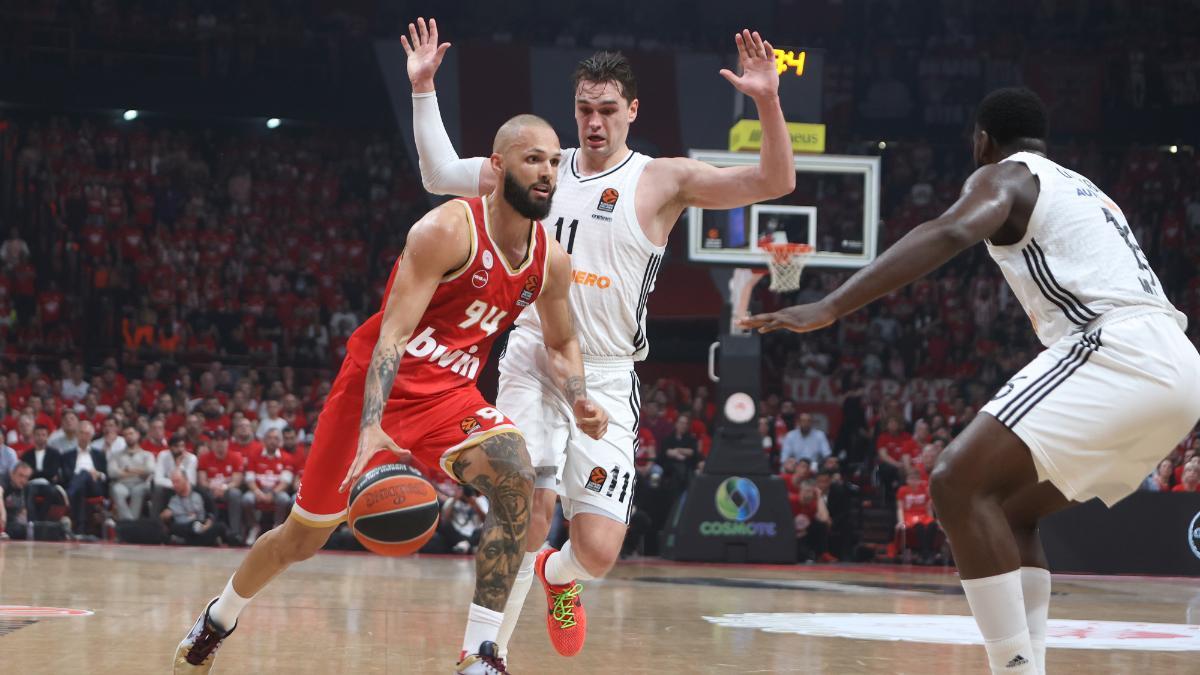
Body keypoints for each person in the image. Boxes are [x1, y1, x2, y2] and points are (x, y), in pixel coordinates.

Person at [742, 87, 1200, 675]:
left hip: (1118, 348)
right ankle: (1026, 664)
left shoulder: (1005, 175)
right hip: (1179, 366)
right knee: (1008, 511)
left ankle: (1010, 669)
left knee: (954, 480)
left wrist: (830, 306)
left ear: (982, 139)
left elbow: (949, 230)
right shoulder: (1086, 188)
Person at [405, 18, 794, 661]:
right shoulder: (537, 169)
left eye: (607, 110)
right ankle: (482, 656)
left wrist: (768, 100)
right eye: (584, 108)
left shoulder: (663, 179)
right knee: (525, 508)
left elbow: (773, 183)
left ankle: (559, 579)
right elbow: (439, 171)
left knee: (597, 551)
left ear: (631, 111)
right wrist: (424, 88)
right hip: (533, 356)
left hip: (610, 375)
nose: (593, 122)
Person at [175, 114, 608, 675]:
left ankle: (480, 655)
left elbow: (564, 339)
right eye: (534, 160)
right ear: (498, 166)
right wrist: (373, 423)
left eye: (554, 162)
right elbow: (393, 336)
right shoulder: (447, 230)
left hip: (448, 395)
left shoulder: (550, 261)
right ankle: (219, 617)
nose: (548, 172)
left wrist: (578, 396)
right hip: (370, 393)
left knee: (516, 477)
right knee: (300, 539)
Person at [240, 428, 293, 545]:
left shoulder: (286, 457)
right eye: (269, 438)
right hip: (258, 490)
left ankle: (277, 528)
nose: (272, 441)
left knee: (284, 498)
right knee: (246, 499)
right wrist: (258, 492)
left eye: (276, 438)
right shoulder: (254, 455)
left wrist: (272, 494)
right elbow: (249, 479)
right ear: (264, 440)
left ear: (280, 441)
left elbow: (285, 482)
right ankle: (254, 527)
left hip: (276, 491)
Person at [197, 429, 245, 540]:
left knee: (235, 494)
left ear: (228, 442)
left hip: (227, 490)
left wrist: (224, 487)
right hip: (210, 490)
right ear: (212, 443)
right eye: (216, 440)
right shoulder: (204, 458)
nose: (220, 443)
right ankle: (205, 532)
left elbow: (236, 481)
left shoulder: (236, 457)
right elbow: (202, 481)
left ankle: (235, 533)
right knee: (203, 493)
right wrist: (213, 487)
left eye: (223, 440)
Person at [61, 420, 107, 533]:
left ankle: (67, 496)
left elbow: (106, 476)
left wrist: (98, 474)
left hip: (94, 486)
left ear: (92, 435)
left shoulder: (99, 454)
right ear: (76, 435)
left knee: (84, 474)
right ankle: (80, 528)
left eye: (87, 433)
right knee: (81, 484)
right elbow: (66, 475)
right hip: (76, 484)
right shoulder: (67, 455)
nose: (84, 436)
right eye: (81, 433)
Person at [163, 470, 228, 546]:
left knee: (221, 527)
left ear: (186, 480)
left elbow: (213, 510)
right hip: (183, 528)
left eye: (177, 482)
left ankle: (188, 542)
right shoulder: (170, 495)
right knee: (176, 528)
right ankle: (205, 541)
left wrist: (209, 522)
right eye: (173, 482)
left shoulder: (200, 492)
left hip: (201, 526)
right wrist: (164, 516)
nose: (175, 485)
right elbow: (163, 518)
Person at [108, 429, 156, 521]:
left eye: (131, 433)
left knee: (138, 491)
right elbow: (112, 473)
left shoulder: (147, 455)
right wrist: (139, 471)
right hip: (122, 484)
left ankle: (129, 523)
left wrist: (128, 470)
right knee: (116, 490)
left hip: (140, 483)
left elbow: (150, 470)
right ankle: (130, 522)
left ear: (137, 435)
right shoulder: (115, 455)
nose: (128, 436)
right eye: (125, 435)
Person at [895, 468, 938, 564]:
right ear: (907, 480)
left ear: (919, 480)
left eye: (916, 479)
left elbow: (928, 508)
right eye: (911, 479)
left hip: (923, 515)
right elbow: (900, 508)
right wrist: (901, 521)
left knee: (933, 525)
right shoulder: (902, 490)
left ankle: (930, 552)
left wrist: (931, 519)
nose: (913, 481)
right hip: (909, 515)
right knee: (920, 527)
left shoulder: (924, 490)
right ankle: (924, 553)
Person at [0, 461, 33, 539]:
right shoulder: (4, 479)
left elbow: (24, 511)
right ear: (12, 474)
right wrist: (2, 512)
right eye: (20, 475)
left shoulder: (25, 487)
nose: (23, 480)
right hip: (2, 518)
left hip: (11, 522)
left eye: (26, 477)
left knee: (24, 529)